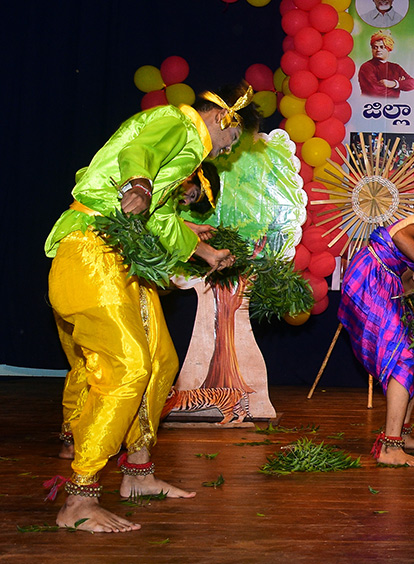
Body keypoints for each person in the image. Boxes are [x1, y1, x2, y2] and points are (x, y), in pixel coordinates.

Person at [44, 84, 259, 533]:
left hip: (124, 257)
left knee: (161, 362)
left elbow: (158, 220)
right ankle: (78, 498)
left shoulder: (186, 154)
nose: (227, 151)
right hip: (90, 249)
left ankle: (138, 473)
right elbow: (139, 149)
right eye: (233, 142)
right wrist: (138, 182)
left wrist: (204, 253)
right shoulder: (177, 121)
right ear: (224, 120)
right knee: (127, 368)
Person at [57, 162, 223, 460]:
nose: (185, 201)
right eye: (192, 192)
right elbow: (141, 217)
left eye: (192, 201)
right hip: (99, 270)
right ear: (189, 175)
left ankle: (98, 445)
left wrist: (190, 229)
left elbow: (152, 220)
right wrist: (201, 248)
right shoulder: (141, 182)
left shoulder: (152, 196)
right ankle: (97, 454)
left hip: (95, 271)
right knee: (127, 365)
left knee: (113, 363)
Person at [338, 211, 414, 467]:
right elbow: (401, 238)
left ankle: (402, 435)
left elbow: (407, 277)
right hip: (370, 276)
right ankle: (389, 448)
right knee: (403, 358)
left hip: (390, 282)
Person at [358, 30, 414, 98]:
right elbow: (374, 91)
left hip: (393, 106)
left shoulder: (395, 67)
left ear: (388, 48)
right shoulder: (367, 67)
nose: (378, 50)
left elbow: (413, 83)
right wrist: (399, 87)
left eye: (382, 47)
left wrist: (392, 84)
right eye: (375, 47)